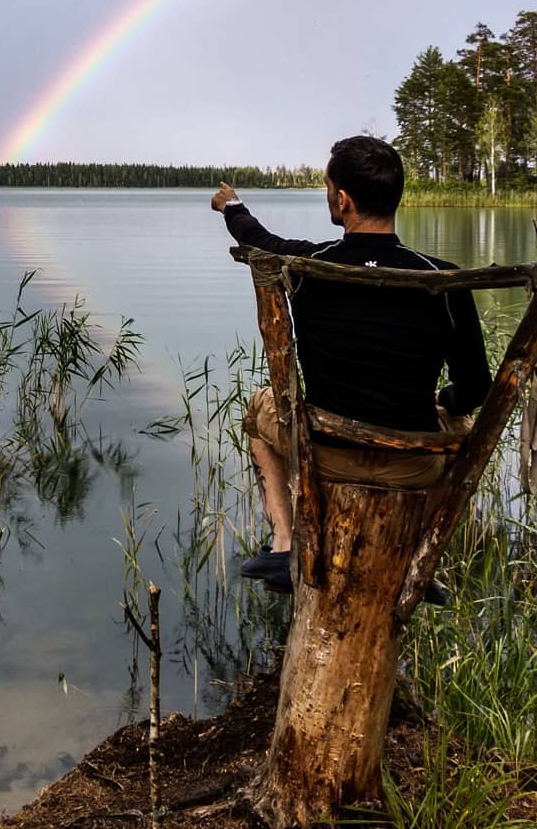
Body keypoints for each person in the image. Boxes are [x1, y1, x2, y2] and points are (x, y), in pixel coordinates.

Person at [211, 136, 492, 599]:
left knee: (258, 408)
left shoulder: (309, 266)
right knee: (461, 421)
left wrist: (232, 206)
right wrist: (443, 398)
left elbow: (259, 240)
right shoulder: (444, 280)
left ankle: (283, 544)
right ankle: (419, 556)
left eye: (327, 186)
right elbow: (477, 388)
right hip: (413, 464)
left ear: (342, 199)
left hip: (326, 452)